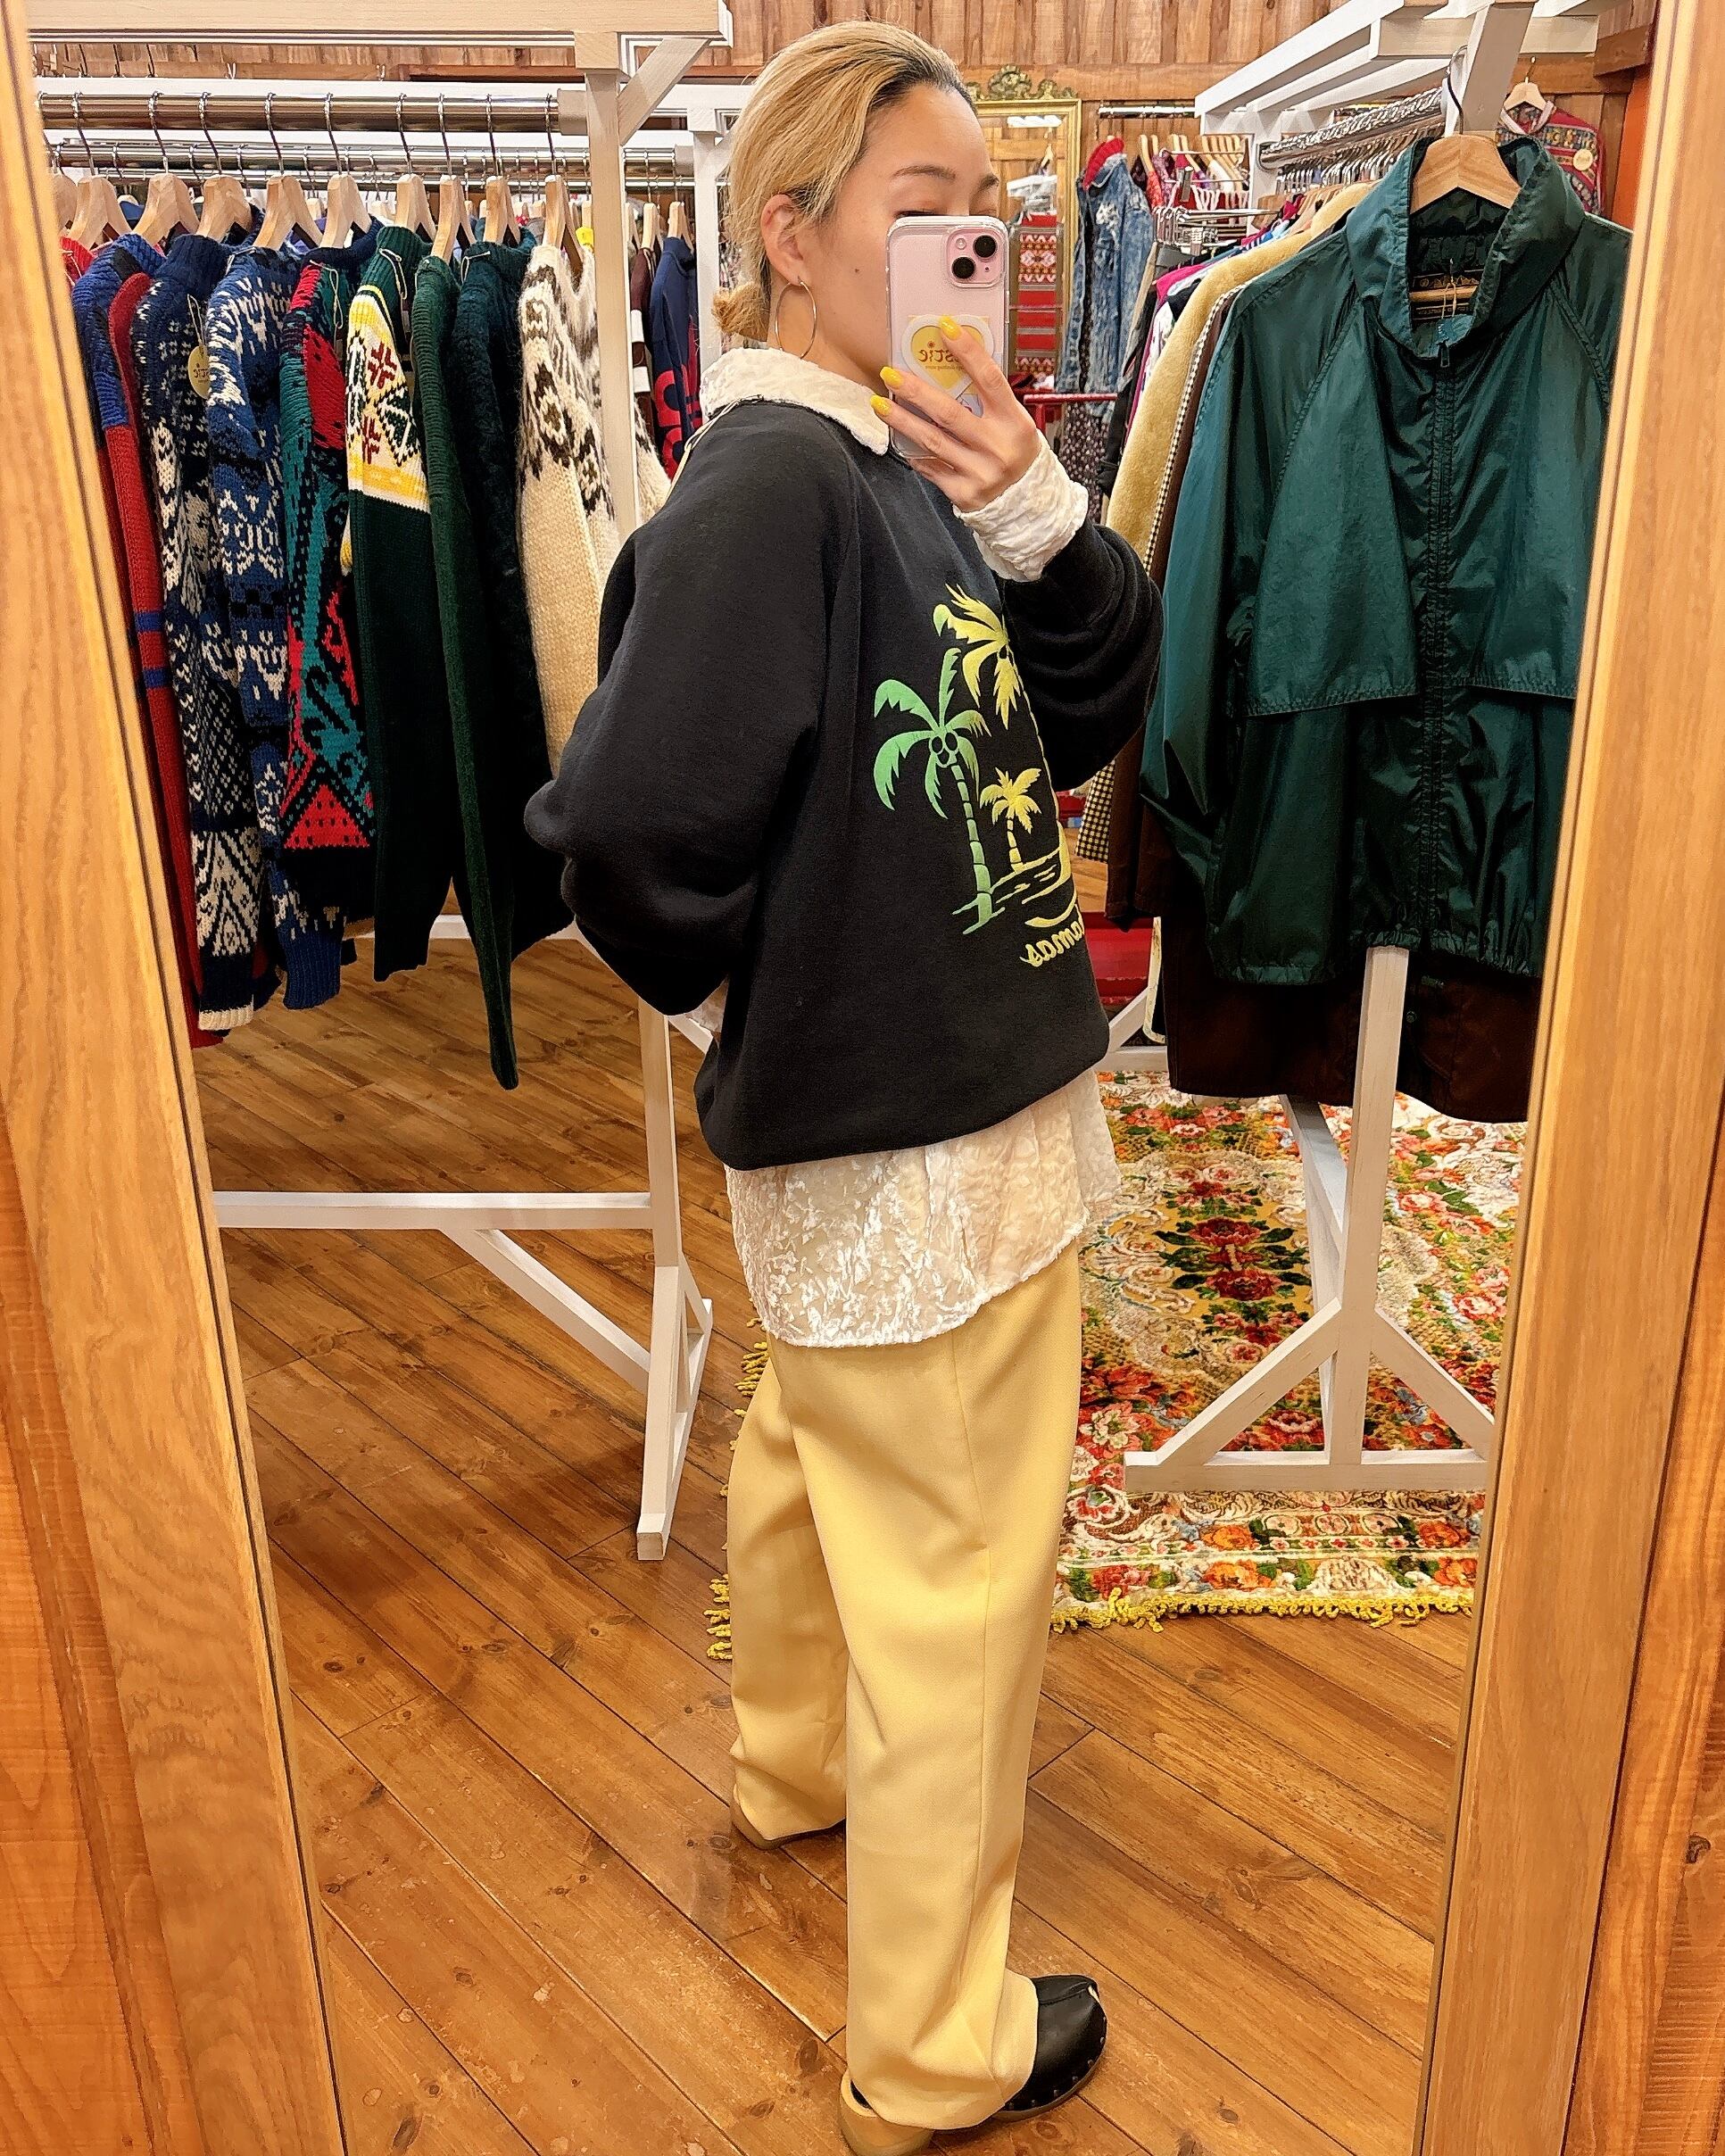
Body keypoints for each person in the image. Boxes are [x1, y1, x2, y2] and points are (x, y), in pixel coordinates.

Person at [526, 24, 1162, 2153]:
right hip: (915, 1135)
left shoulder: (893, 459)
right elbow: (627, 828)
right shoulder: (778, 483)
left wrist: (1031, 500)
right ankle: (936, 2040)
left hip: (911, 1120)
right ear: (788, 236)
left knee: (813, 1455)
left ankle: (792, 1762)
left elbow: (1085, 702)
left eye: (983, 210)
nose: (967, 244)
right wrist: (751, 998)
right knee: (958, 1577)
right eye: (919, 206)